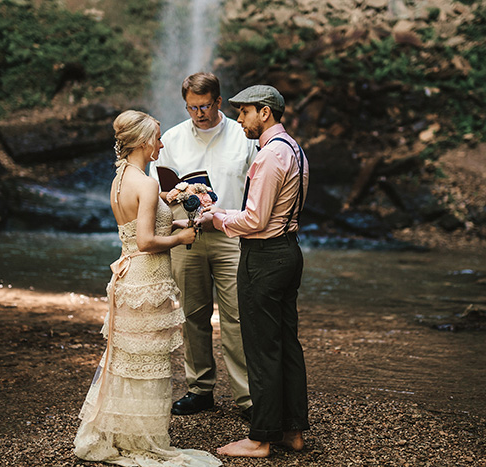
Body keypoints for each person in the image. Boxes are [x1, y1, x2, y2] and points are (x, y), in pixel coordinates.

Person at [74, 110, 221, 467]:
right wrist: (182, 236)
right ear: (142, 142)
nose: (162, 142)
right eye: (157, 137)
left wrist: (170, 202)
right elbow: (145, 241)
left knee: (128, 360)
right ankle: (145, 436)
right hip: (147, 279)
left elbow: (136, 224)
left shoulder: (122, 178)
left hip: (127, 279)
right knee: (151, 361)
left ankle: (123, 430)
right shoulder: (147, 182)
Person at [209, 85, 310, 458]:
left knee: (261, 346)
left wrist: (214, 217)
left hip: (264, 257)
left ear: (265, 113)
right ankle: (293, 432)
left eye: (245, 112)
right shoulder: (296, 150)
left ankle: (260, 438)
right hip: (289, 253)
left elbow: (254, 219)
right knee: (286, 344)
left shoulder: (269, 155)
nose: (239, 119)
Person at [149, 72, 256, 419]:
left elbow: (259, 186)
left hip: (231, 236)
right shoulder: (173, 139)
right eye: (192, 107)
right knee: (192, 315)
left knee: (237, 317)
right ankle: (200, 389)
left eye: (205, 106)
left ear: (219, 102)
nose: (199, 113)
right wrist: (179, 193)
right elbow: (156, 191)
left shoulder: (245, 136)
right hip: (187, 236)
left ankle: (248, 397)